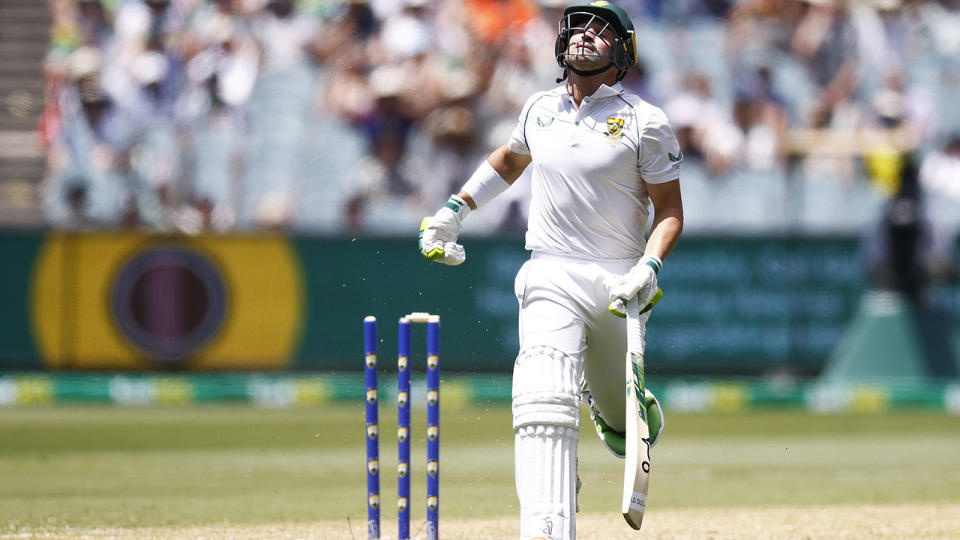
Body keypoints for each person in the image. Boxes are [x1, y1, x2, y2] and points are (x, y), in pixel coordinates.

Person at [418, 2, 683, 538]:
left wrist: (648, 267)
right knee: (541, 392)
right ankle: (548, 524)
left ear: (623, 52)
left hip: (615, 278)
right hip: (549, 270)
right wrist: (455, 210)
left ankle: (617, 409)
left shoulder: (645, 122)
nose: (583, 37)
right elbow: (509, 161)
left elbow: (670, 211)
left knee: (615, 415)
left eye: (599, 32)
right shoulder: (539, 107)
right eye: (578, 28)